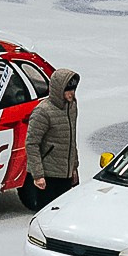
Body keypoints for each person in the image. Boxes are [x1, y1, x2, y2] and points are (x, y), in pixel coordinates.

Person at [21, 68, 79, 211]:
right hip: (48, 176)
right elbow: (31, 143)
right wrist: (38, 175)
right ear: (58, 89)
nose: (71, 93)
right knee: (47, 213)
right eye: (68, 90)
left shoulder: (71, 106)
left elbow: (71, 140)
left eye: (73, 89)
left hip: (65, 173)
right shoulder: (43, 111)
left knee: (63, 213)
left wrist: (74, 167)